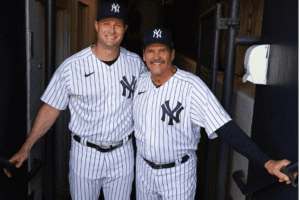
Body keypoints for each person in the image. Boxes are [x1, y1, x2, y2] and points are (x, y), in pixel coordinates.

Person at [4, 2, 146, 200]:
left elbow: (150, 101)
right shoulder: (72, 66)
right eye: (106, 23)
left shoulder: (136, 64)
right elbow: (51, 108)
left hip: (122, 152)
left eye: (118, 25)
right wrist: (26, 147)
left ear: (125, 29)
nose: (112, 30)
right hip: (86, 154)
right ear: (97, 26)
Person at [133, 27, 295, 200]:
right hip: (143, 171)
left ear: (172, 54)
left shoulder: (191, 86)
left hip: (176, 174)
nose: (156, 57)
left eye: (162, 51)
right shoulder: (141, 81)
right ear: (144, 55)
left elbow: (226, 128)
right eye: (151, 51)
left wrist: (267, 162)